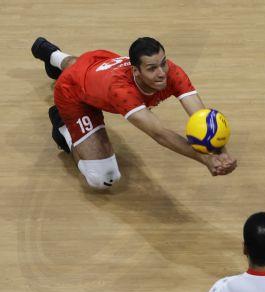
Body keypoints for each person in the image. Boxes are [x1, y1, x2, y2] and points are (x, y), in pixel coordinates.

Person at [31, 37, 237, 190]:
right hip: (73, 94)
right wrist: (205, 160)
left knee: (79, 65)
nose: (162, 73)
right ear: (136, 71)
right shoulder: (122, 91)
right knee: (104, 178)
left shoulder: (172, 72)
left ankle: (54, 56)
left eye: (163, 62)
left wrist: (220, 151)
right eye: (152, 68)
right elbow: (159, 133)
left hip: (97, 62)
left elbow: (204, 118)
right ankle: (64, 128)